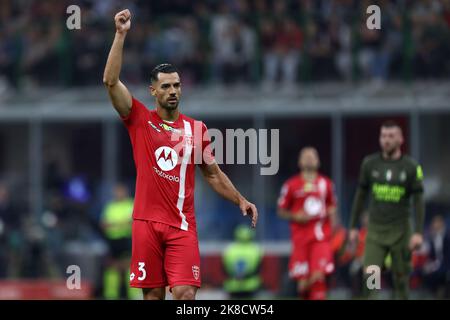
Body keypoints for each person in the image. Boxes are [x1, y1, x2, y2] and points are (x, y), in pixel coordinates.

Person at [102, 9, 258, 300]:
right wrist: (120, 35)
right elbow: (111, 81)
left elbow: (213, 174)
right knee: (152, 298)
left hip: (182, 227)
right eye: (166, 86)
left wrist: (240, 199)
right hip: (146, 225)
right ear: (153, 91)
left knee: (185, 295)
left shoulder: (196, 129)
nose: (173, 91)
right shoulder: (139, 119)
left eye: (176, 85)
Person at [348, 120, 425, 299]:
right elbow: (360, 196)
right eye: (383, 136)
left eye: (391, 136)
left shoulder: (412, 167)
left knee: (401, 282)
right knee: (370, 278)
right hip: (375, 232)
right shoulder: (369, 164)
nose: (387, 140)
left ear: (401, 139)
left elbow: (419, 200)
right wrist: (352, 227)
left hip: (401, 232)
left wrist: (419, 232)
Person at [277, 147, 337, 300]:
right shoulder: (291, 185)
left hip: (320, 238)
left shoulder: (326, 184)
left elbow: (332, 206)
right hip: (300, 240)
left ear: (318, 161)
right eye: (306, 156)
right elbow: (281, 210)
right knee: (303, 285)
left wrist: (334, 227)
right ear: (299, 162)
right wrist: (296, 216)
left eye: (312, 156)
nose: (309, 158)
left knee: (318, 277)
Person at [100, 183, 135, 299]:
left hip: (126, 239)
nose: (119, 194)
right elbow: (104, 224)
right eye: (117, 191)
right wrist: (120, 224)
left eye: (121, 191)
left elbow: (132, 222)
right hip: (112, 240)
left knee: (129, 266)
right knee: (111, 267)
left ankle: (134, 295)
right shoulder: (110, 206)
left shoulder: (131, 204)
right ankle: (111, 295)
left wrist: (114, 225)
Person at [222, 224, 263, 299]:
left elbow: (224, 269)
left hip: (232, 285)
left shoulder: (229, 249)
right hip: (251, 286)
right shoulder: (256, 249)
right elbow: (259, 268)